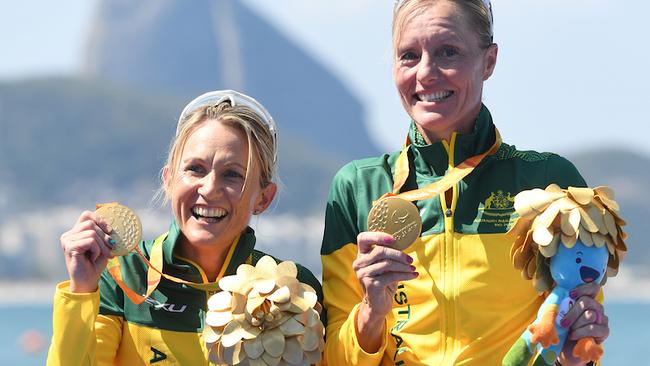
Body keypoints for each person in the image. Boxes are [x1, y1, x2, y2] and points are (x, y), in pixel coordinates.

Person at [320, 1, 608, 365]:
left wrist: (579, 351)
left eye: (448, 52)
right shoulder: (357, 188)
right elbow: (334, 360)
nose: (425, 73)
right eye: (409, 55)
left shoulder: (551, 184)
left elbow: (582, 345)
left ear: (489, 61)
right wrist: (370, 312)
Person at [46, 90, 323, 365]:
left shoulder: (294, 289)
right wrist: (81, 289)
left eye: (232, 175)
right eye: (195, 169)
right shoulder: (123, 275)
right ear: (169, 181)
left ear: (264, 197)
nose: (210, 189)